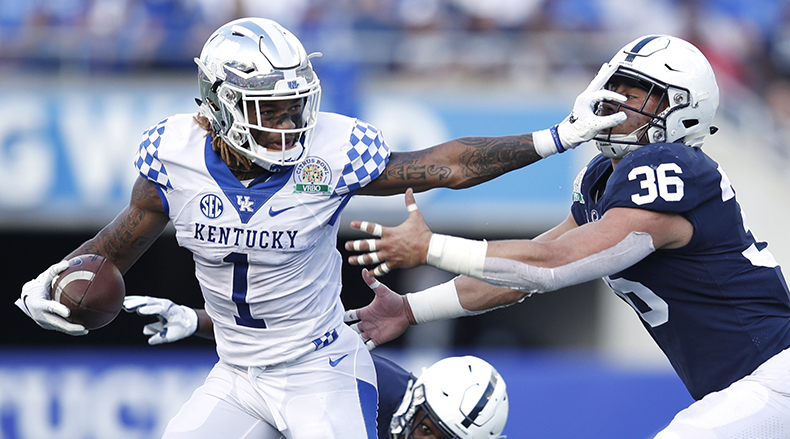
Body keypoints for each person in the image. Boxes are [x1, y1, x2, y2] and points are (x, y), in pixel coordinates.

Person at [13, 16, 622, 439]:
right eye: (270, 109)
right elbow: (118, 245)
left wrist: (557, 136)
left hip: (319, 369)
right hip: (236, 371)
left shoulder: (331, 153)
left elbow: (449, 165)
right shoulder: (172, 155)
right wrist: (56, 277)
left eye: (295, 105)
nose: (290, 123)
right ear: (219, 104)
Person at [344, 35, 790, 438]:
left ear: (682, 110)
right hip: (746, 387)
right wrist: (411, 308)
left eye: (637, 93)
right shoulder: (603, 178)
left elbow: (551, 265)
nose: (616, 103)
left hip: (773, 375)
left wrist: (432, 248)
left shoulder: (673, 168)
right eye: (615, 87)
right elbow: (520, 274)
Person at [122, 295, 510, 439]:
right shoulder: (357, 382)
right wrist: (196, 320)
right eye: (427, 430)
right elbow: (275, 339)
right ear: (415, 402)